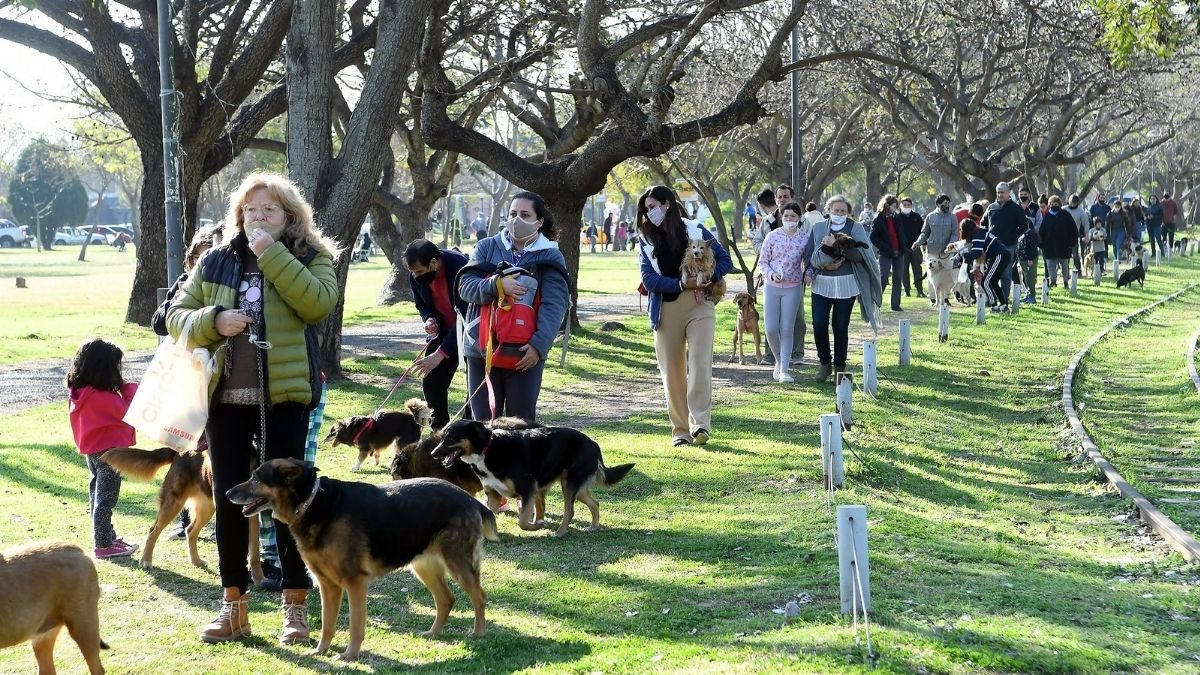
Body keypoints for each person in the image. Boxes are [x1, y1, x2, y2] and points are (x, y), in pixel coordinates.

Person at [167, 171, 339, 644]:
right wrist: (213, 320)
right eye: (249, 211)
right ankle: (233, 607)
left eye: (269, 211)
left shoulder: (311, 256)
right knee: (228, 499)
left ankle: (295, 607)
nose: (258, 219)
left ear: (289, 216)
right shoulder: (217, 260)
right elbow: (175, 315)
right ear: (237, 215)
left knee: (290, 503)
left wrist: (273, 254)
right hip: (227, 401)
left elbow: (318, 304)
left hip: (286, 398)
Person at [458, 192, 569, 423]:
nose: (516, 220)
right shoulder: (486, 247)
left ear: (539, 221)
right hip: (482, 351)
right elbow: (465, 287)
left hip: (524, 353)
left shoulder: (550, 255)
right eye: (513, 214)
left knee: (521, 428)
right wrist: (497, 285)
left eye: (525, 214)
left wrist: (539, 346)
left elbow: (554, 303)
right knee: (483, 427)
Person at [639, 185, 732, 446]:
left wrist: (705, 277)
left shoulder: (695, 229)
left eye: (654, 206)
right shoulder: (646, 240)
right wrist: (680, 285)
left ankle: (700, 425)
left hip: (700, 303)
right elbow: (649, 280)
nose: (650, 213)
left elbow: (726, 261)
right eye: (647, 210)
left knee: (700, 361)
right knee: (672, 371)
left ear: (667, 204)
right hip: (666, 308)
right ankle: (680, 431)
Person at [151, 223, 223, 540]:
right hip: (186, 378)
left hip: (218, 380)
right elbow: (159, 322)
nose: (206, 260)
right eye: (200, 255)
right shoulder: (185, 284)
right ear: (192, 258)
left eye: (213, 254)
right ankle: (184, 517)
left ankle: (216, 510)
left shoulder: (230, 281)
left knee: (213, 449)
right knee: (186, 445)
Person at [66, 338, 140, 560]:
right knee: (106, 499)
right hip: (109, 453)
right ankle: (104, 545)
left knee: (96, 496)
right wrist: (128, 387)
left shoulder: (80, 393)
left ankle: (108, 537)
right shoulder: (102, 398)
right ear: (105, 369)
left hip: (93, 451)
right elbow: (130, 409)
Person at [804, 195, 881, 382]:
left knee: (840, 326)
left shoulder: (856, 228)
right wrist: (824, 265)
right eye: (835, 210)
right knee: (819, 323)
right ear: (828, 210)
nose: (839, 214)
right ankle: (824, 364)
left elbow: (861, 256)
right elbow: (811, 256)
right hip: (822, 284)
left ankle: (840, 366)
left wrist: (837, 247)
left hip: (847, 284)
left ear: (848, 212)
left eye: (843, 211)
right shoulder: (819, 228)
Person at [404, 239, 469, 428]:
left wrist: (440, 354)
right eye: (413, 272)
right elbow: (422, 305)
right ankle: (439, 431)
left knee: (474, 385)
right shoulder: (415, 275)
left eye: (420, 272)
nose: (416, 276)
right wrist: (429, 319)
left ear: (433, 263)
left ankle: (468, 429)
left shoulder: (460, 268)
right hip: (443, 331)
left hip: (470, 333)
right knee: (431, 381)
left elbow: (466, 317)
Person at [759, 203, 810, 383]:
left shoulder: (804, 239)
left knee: (787, 328)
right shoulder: (772, 236)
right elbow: (763, 261)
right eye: (786, 216)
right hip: (772, 286)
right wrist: (771, 274)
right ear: (781, 217)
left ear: (799, 218)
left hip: (793, 286)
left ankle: (785, 370)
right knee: (771, 329)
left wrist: (808, 275)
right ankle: (779, 362)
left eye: (793, 217)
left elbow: (808, 263)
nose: (789, 219)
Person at [981, 182, 1027, 305]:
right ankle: (990, 299)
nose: (1000, 195)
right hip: (992, 247)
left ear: (1008, 193)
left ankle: (1004, 299)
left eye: (1002, 192)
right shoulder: (991, 207)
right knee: (990, 273)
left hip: (1008, 246)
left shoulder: (1016, 208)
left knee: (1006, 273)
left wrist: (1012, 236)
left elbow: (1024, 226)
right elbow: (983, 223)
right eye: (998, 192)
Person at [913, 194, 959, 304]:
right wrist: (918, 243)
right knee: (932, 274)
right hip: (932, 251)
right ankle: (933, 298)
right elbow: (925, 233)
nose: (947, 205)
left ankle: (945, 297)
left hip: (947, 252)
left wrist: (950, 245)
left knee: (948, 274)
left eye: (948, 203)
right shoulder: (930, 217)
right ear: (938, 204)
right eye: (945, 203)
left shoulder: (952, 217)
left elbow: (955, 233)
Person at [869, 194, 909, 312]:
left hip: (899, 251)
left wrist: (904, 245)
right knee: (883, 277)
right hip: (886, 253)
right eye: (893, 205)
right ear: (886, 205)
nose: (895, 208)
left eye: (896, 206)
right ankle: (876, 302)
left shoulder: (897, 217)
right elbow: (873, 237)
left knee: (897, 277)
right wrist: (884, 247)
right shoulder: (878, 219)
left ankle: (895, 304)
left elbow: (900, 233)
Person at [962, 218, 1012, 312]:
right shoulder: (980, 232)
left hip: (999, 256)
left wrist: (966, 256)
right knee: (993, 282)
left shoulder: (977, 235)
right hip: (1002, 255)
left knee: (985, 282)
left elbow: (976, 253)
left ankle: (994, 306)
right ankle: (1004, 306)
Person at [1039, 196, 1076, 288]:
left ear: (1059, 205)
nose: (1054, 206)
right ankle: (1053, 281)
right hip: (1049, 246)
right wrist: (1041, 244)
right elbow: (1042, 231)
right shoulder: (1047, 216)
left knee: (1064, 265)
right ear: (1049, 205)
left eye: (1056, 204)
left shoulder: (1065, 215)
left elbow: (1073, 229)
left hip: (1064, 245)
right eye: (1052, 204)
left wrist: (1072, 243)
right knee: (1051, 265)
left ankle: (1065, 281)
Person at [894, 197, 924, 298]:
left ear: (911, 206)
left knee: (917, 269)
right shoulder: (897, 217)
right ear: (901, 206)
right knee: (904, 270)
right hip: (902, 248)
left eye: (908, 205)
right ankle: (906, 290)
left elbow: (923, 231)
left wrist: (921, 244)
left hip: (915, 247)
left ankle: (920, 290)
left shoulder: (917, 217)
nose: (906, 207)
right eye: (904, 205)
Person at [1016, 222, 1041, 303]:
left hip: (1029, 259)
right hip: (1023, 259)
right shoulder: (1022, 233)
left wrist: (1030, 258)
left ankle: (1032, 296)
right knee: (1025, 278)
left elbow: (1032, 247)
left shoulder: (1031, 234)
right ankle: (1028, 294)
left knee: (1030, 278)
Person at [1065, 194, 1089, 273]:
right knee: (1064, 254)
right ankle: (1065, 271)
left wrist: (1087, 235)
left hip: (1074, 235)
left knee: (1075, 254)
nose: (1072, 204)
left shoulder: (1081, 212)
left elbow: (1086, 223)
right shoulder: (1064, 210)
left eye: (1074, 203)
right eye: (1071, 202)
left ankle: (1078, 270)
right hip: (1064, 235)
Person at [1146, 194, 1165, 258]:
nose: (1152, 200)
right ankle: (1153, 253)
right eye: (1151, 199)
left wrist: (1153, 217)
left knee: (1158, 238)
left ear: (1156, 199)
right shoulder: (1148, 207)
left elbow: (1161, 216)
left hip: (1157, 225)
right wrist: (1147, 217)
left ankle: (1162, 252)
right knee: (1151, 239)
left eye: (1154, 199)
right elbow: (1146, 215)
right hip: (1149, 225)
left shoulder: (1159, 207)